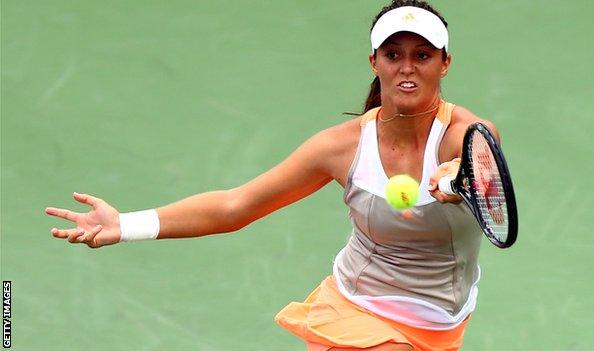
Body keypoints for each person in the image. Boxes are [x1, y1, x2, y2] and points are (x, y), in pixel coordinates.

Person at [45, 1, 502, 350]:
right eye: (393, 53)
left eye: (422, 55)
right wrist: (125, 224)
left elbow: (474, 165)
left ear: (444, 63)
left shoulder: (470, 135)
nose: (407, 66)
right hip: (358, 310)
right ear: (374, 62)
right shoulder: (338, 148)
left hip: (441, 321)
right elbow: (235, 207)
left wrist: (456, 174)